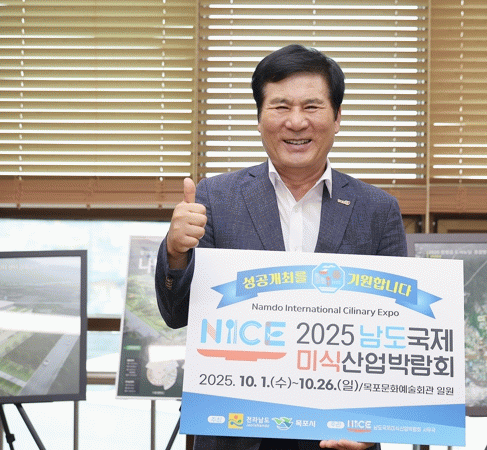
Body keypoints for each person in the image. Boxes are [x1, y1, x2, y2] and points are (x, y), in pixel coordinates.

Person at [155, 44, 407, 450]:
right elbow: (176, 314)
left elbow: (395, 332)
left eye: (312, 106)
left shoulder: (377, 209)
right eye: (280, 107)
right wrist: (175, 252)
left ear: (337, 118)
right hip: (233, 431)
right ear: (259, 118)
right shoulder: (215, 197)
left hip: (337, 433)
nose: (296, 121)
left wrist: (372, 425)